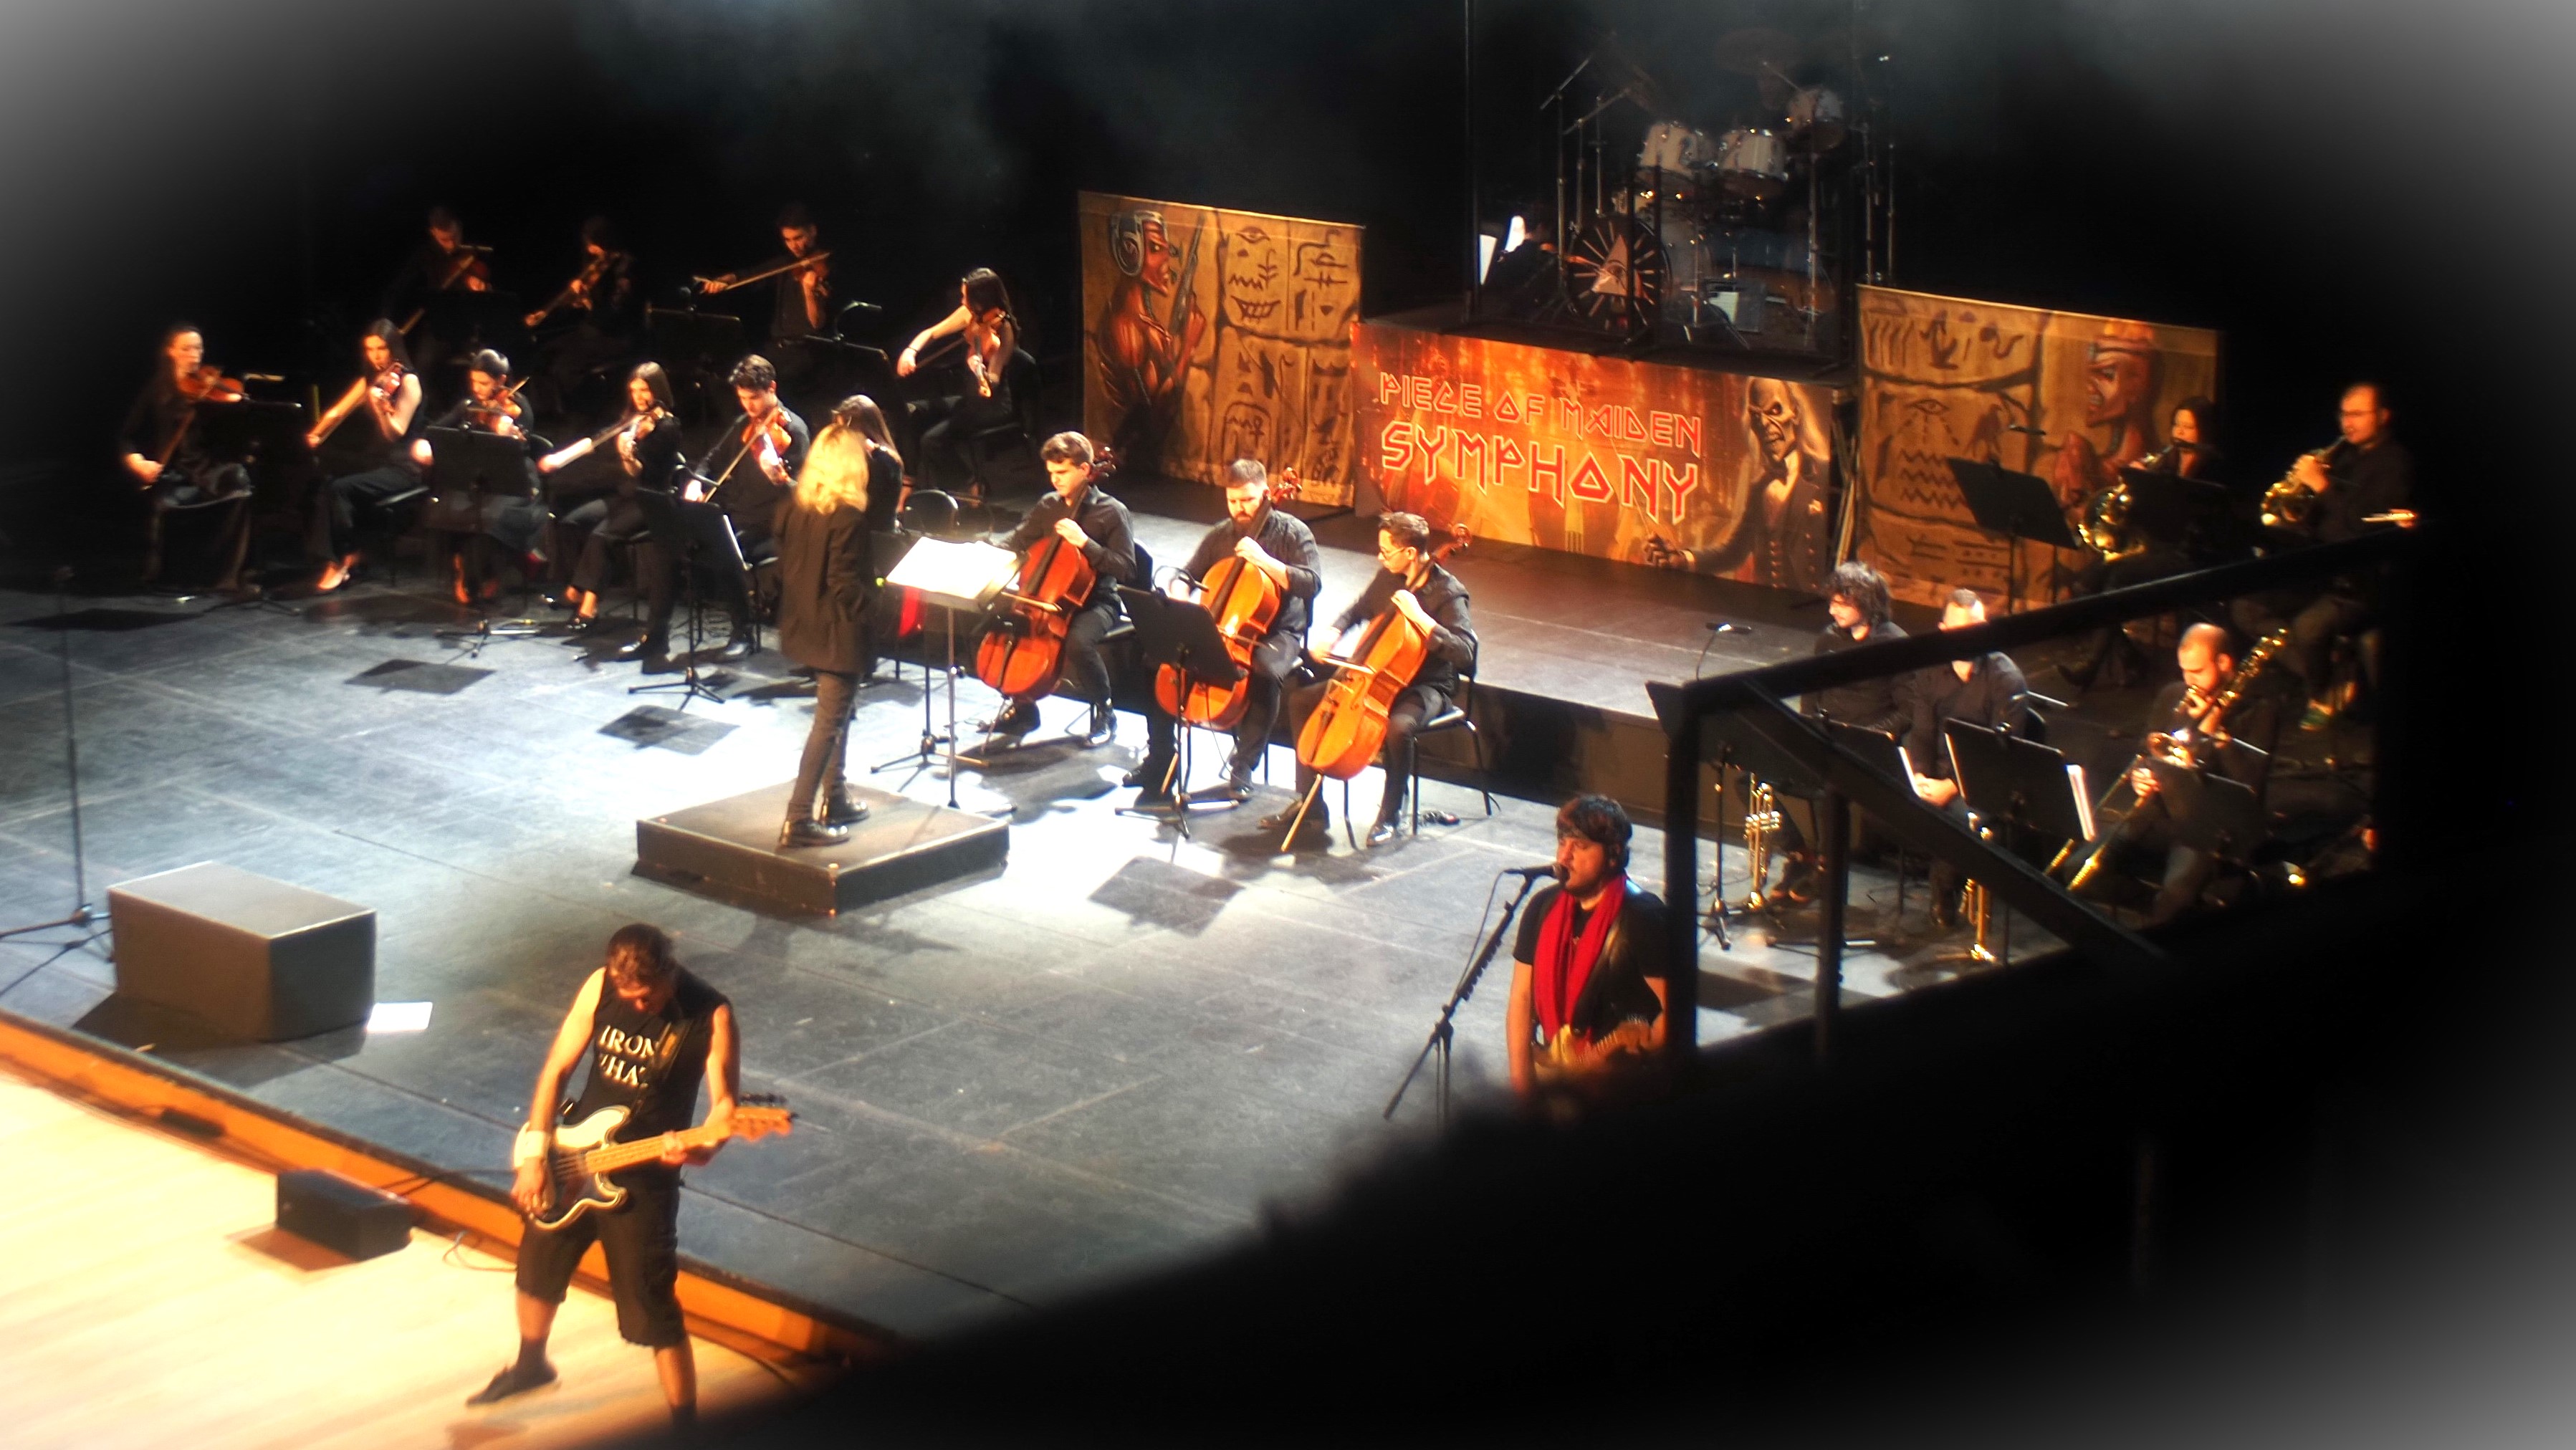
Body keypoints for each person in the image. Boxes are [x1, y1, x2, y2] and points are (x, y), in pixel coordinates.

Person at [468, 925, 736, 1429]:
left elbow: (724, 1106)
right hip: (572, 1157)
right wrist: (535, 1156)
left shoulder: (710, 1014)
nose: (638, 1005)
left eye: (647, 996)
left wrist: (703, 1147)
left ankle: (686, 1426)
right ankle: (531, 1366)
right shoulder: (599, 986)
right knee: (537, 1266)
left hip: (642, 1176)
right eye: (628, 996)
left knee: (651, 1304)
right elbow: (556, 1070)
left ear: (669, 972)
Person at [1266, 510, 1476, 849]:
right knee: (1302, 700)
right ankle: (1310, 804)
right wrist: (1334, 631)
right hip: (1373, 676)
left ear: (1411, 553)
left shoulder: (1449, 593)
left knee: (1399, 728)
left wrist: (1422, 619)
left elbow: (1465, 652)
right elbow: (1358, 610)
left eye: (1387, 551)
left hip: (1427, 686)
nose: (1381, 557)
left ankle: (1391, 814)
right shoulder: (1389, 577)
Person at [1130, 460, 1321, 805]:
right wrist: (1180, 591)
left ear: (1266, 494)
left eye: (1247, 500)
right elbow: (1187, 574)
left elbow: (1312, 583)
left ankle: (1243, 766)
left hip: (1280, 631)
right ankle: (1160, 758)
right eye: (1232, 501)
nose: (1239, 508)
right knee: (1159, 659)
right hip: (1227, 626)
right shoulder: (1221, 534)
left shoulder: (1293, 532)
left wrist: (1266, 561)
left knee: (1265, 670)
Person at [2073, 623, 2284, 926]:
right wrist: (2141, 775)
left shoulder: (2260, 710)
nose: (2189, 682)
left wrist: (2219, 738)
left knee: (2174, 898)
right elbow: (2146, 752)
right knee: (2078, 870)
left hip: (2208, 828)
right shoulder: (2173, 695)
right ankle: (2156, 911)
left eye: (2197, 671)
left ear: (2224, 663)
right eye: (2184, 671)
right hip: (2159, 814)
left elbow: (2250, 787)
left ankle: (2166, 920)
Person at [2231, 382, 2415, 730]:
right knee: (2246, 607)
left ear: (2383, 416)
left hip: (2360, 581)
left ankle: (2321, 693)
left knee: (2309, 628)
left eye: (2357, 414)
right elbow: (2316, 518)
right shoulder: (2341, 456)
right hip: (2319, 571)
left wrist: (2322, 486)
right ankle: (2331, 676)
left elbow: (2359, 528)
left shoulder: (2395, 464)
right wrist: (2293, 510)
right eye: (2344, 414)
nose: (2347, 423)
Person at [625, 355, 808, 670]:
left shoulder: (794, 430)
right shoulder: (744, 424)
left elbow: (801, 492)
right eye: (742, 399)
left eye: (754, 398)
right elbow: (710, 459)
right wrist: (697, 481)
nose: (748, 406)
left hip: (771, 521)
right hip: (735, 514)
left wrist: (779, 477)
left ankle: (743, 631)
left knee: (725, 549)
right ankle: (656, 635)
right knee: (668, 547)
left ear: (772, 389)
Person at [1765, 560, 1912, 903]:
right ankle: (1799, 854)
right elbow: (1811, 695)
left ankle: (1828, 868)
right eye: (1832, 602)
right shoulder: (1829, 639)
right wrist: (1808, 731)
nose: (1832, 611)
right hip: (1826, 738)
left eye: (1841, 603)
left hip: (1866, 748)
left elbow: (1908, 711)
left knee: (1830, 781)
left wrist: (1867, 737)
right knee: (1752, 773)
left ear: (1866, 603)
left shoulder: (1895, 644)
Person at [1505, 795, 1672, 1094]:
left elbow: (1676, 1011)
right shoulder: (1542, 907)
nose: (1564, 857)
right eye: (1562, 843)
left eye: (1580, 847)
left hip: (1621, 1088)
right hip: (1558, 1072)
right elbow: (1522, 998)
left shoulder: (1643, 918)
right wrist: (1523, 1089)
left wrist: (1637, 1050)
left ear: (1613, 854)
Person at [2060, 395, 2228, 690]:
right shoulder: (2166, 462)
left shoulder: (2213, 468)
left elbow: (2200, 522)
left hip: (2190, 554)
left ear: (2204, 431)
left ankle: (2093, 663)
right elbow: (2148, 514)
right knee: (2088, 581)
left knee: (2118, 577)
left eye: (2188, 427)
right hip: (2156, 546)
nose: (2179, 432)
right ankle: (2129, 656)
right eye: (2177, 424)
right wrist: (2139, 483)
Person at [989, 432, 1136, 746]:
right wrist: (988, 549)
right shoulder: (1049, 505)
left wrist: (1085, 543)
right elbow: (1018, 539)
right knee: (1000, 619)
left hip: (1098, 601)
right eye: (1051, 472)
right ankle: (1024, 708)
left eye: (1062, 472)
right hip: (1046, 597)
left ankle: (1105, 712)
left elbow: (1125, 568)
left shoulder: (1112, 512)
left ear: (1085, 470)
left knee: (1078, 643)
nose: (1055, 479)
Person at [774, 421, 877, 847]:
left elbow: (784, 567)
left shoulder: (795, 507)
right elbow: (844, 583)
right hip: (837, 631)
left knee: (839, 715)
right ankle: (799, 819)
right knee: (829, 723)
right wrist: (875, 612)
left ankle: (834, 797)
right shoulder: (848, 517)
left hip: (804, 624)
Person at [1902, 589, 2030, 925]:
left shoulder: (2006, 679)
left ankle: (1944, 889)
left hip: (1985, 780)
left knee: (1961, 815)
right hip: (1939, 773)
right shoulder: (1930, 672)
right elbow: (1922, 733)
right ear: (1944, 631)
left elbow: (1998, 755)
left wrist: (1951, 787)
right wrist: (1920, 776)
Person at [1639, 376, 1834, 592]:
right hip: (1765, 605)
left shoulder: (1823, 475)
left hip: (1810, 606)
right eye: (1757, 416)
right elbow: (1733, 553)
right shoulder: (1760, 487)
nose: (1765, 425)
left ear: (1795, 413)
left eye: (1774, 411)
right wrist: (1682, 559)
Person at [537, 362, 684, 629]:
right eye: (634, 391)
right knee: (571, 521)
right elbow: (595, 442)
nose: (639, 397)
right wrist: (559, 459)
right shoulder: (633, 419)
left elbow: (642, 472)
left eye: (644, 390)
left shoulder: (667, 427)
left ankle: (588, 607)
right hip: (626, 495)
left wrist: (628, 457)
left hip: (652, 499)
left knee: (601, 536)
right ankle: (576, 588)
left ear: (658, 389)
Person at [118, 323, 252, 592]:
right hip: (176, 469)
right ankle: (174, 576)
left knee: (239, 486)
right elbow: (125, 436)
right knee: (167, 502)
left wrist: (238, 406)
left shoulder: (210, 388)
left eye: (198, 349)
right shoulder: (157, 390)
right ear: (170, 352)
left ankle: (227, 577)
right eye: (187, 349)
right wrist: (137, 461)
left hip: (210, 467)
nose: (195, 355)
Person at [412, 348, 547, 605]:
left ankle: (491, 575)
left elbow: (524, 440)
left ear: (501, 381)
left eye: (483, 383)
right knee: (449, 508)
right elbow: (437, 430)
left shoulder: (518, 407)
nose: (477, 388)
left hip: (513, 482)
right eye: (473, 382)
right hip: (478, 478)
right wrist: (425, 444)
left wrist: (508, 433)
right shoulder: (469, 406)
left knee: (492, 516)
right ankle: (462, 569)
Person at [307, 321, 426, 593]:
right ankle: (347, 553)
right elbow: (337, 412)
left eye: (381, 349)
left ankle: (340, 561)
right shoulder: (371, 381)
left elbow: (395, 433)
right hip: (377, 461)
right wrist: (316, 434)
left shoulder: (409, 382)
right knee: (325, 476)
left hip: (404, 467)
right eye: (370, 350)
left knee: (340, 488)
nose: (376, 356)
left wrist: (382, 407)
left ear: (393, 348)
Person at [1094, 207, 1207, 472]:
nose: (1167, 257)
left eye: (1167, 248)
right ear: (1130, 254)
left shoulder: (1143, 321)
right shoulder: (1127, 328)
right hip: (1137, 467)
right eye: (1155, 248)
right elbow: (1151, 423)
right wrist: (1188, 347)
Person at [896, 268, 1020, 496]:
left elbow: (993, 380)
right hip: (968, 400)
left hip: (992, 406)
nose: (963, 301)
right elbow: (931, 333)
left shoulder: (1004, 330)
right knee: (911, 412)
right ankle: (908, 481)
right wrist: (911, 351)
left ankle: (969, 484)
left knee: (932, 441)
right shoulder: (970, 315)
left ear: (981, 299)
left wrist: (980, 372)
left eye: (966, 297)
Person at [527, 215, 638, 428]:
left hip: (615, 336)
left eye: (593, 243)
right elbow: (589, 307)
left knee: (566, 367)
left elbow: (616, 313)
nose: (589, 249)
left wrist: (588, 301)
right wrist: (570, 303)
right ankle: (548, 413)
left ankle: (583, 415)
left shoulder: (626, 267)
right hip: (590, 331)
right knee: (542, 355)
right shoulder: (598, 264)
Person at [826, 394, 909, 676]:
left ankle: (860, 661)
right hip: (856, 536)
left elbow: (865, 505)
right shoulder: (859, 458)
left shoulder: (885, 461)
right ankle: (830, 654)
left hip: (877, 542)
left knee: (846, 584)